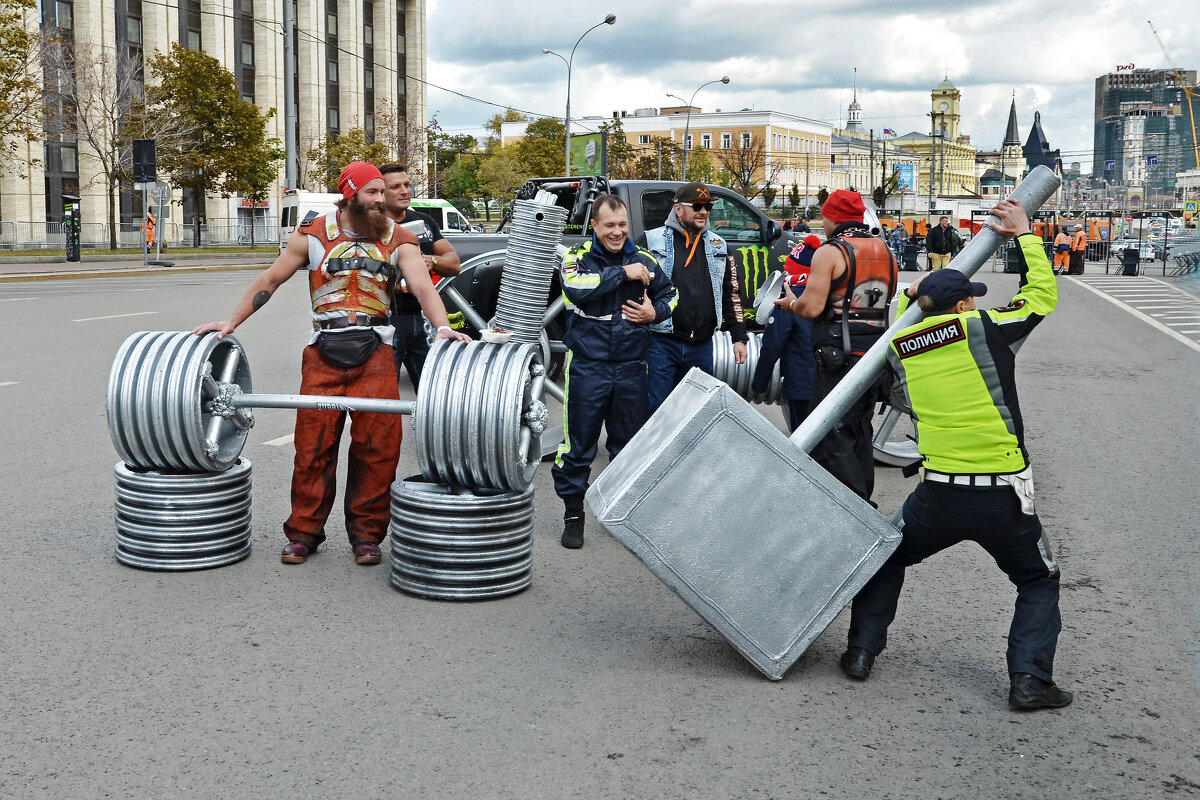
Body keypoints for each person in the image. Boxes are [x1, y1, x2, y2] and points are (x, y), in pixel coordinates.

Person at [838, 198, 1071, 712]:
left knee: (888, 556)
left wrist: (917, 295)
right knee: (1038, 580)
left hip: (938, 494)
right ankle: (1030, 681)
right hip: (1003, 495)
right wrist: (1024, 234)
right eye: (970, 297)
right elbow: (1040, 296)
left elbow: (909, 315)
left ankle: (860, 652)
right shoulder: (984, 328)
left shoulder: (901, 346)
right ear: (964, 306)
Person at [192, 161, 471, 567]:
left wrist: (442, 327)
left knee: (378, 449)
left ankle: (367, 536)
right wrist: (232, 322)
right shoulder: (312, 234)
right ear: (350, 194)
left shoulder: (400, 238)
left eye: (383, 192)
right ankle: (303, 533)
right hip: (323, 352)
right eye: (372, 192)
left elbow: (423, 287)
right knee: (313, 448)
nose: (381, 199)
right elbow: (270, 280)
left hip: (376, 353)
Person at [553, 195, 678, 549]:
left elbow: (671, 295)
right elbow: (575, 289)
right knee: (578, 447)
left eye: (622, 224)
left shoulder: (646, 260)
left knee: (630, 446)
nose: (617, 231)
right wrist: (623, 273)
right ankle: (573, 515)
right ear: (594, 225)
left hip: (632, 367)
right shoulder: (577, 258)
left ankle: (623, 513)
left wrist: (655, 314)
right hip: (588, 367)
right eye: (609, 225)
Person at [775, 189, 896, 503]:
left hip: (835, 357)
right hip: (875, 355)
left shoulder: (831, 251)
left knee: (829, 434)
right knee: (860, 430)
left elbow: (812, 307)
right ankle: (863, 501)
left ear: (832, 218)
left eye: (824, 217)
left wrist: (792, 303)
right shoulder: (884, 249)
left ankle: (855, 508)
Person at [641, 182, 748, 414]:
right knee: (657, 412)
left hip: (702, 346)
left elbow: (732, 293)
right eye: (697, 206)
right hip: (661, 342)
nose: (703, 212)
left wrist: (739, 337)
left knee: (693, 412)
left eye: (708, 207)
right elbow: (632, 288)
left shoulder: (720, 245)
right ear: (678, 209)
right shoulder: (650, 240)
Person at [380, 163, 462, 390]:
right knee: (384, 397)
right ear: (380, 192)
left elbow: (454, 264)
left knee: (434, 393)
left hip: (423, 318)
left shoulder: (424, 222)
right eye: (395, 187)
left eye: (407, 185)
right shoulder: (372, 227)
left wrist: (431, 260)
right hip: (387, 320)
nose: (404, 191)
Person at [753, 234, 818, 432]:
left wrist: (759, 384)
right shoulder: (827, 293)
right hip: (831, 381)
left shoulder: (789, 300)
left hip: (800, 383)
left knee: (804, 435)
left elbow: (773, 344)